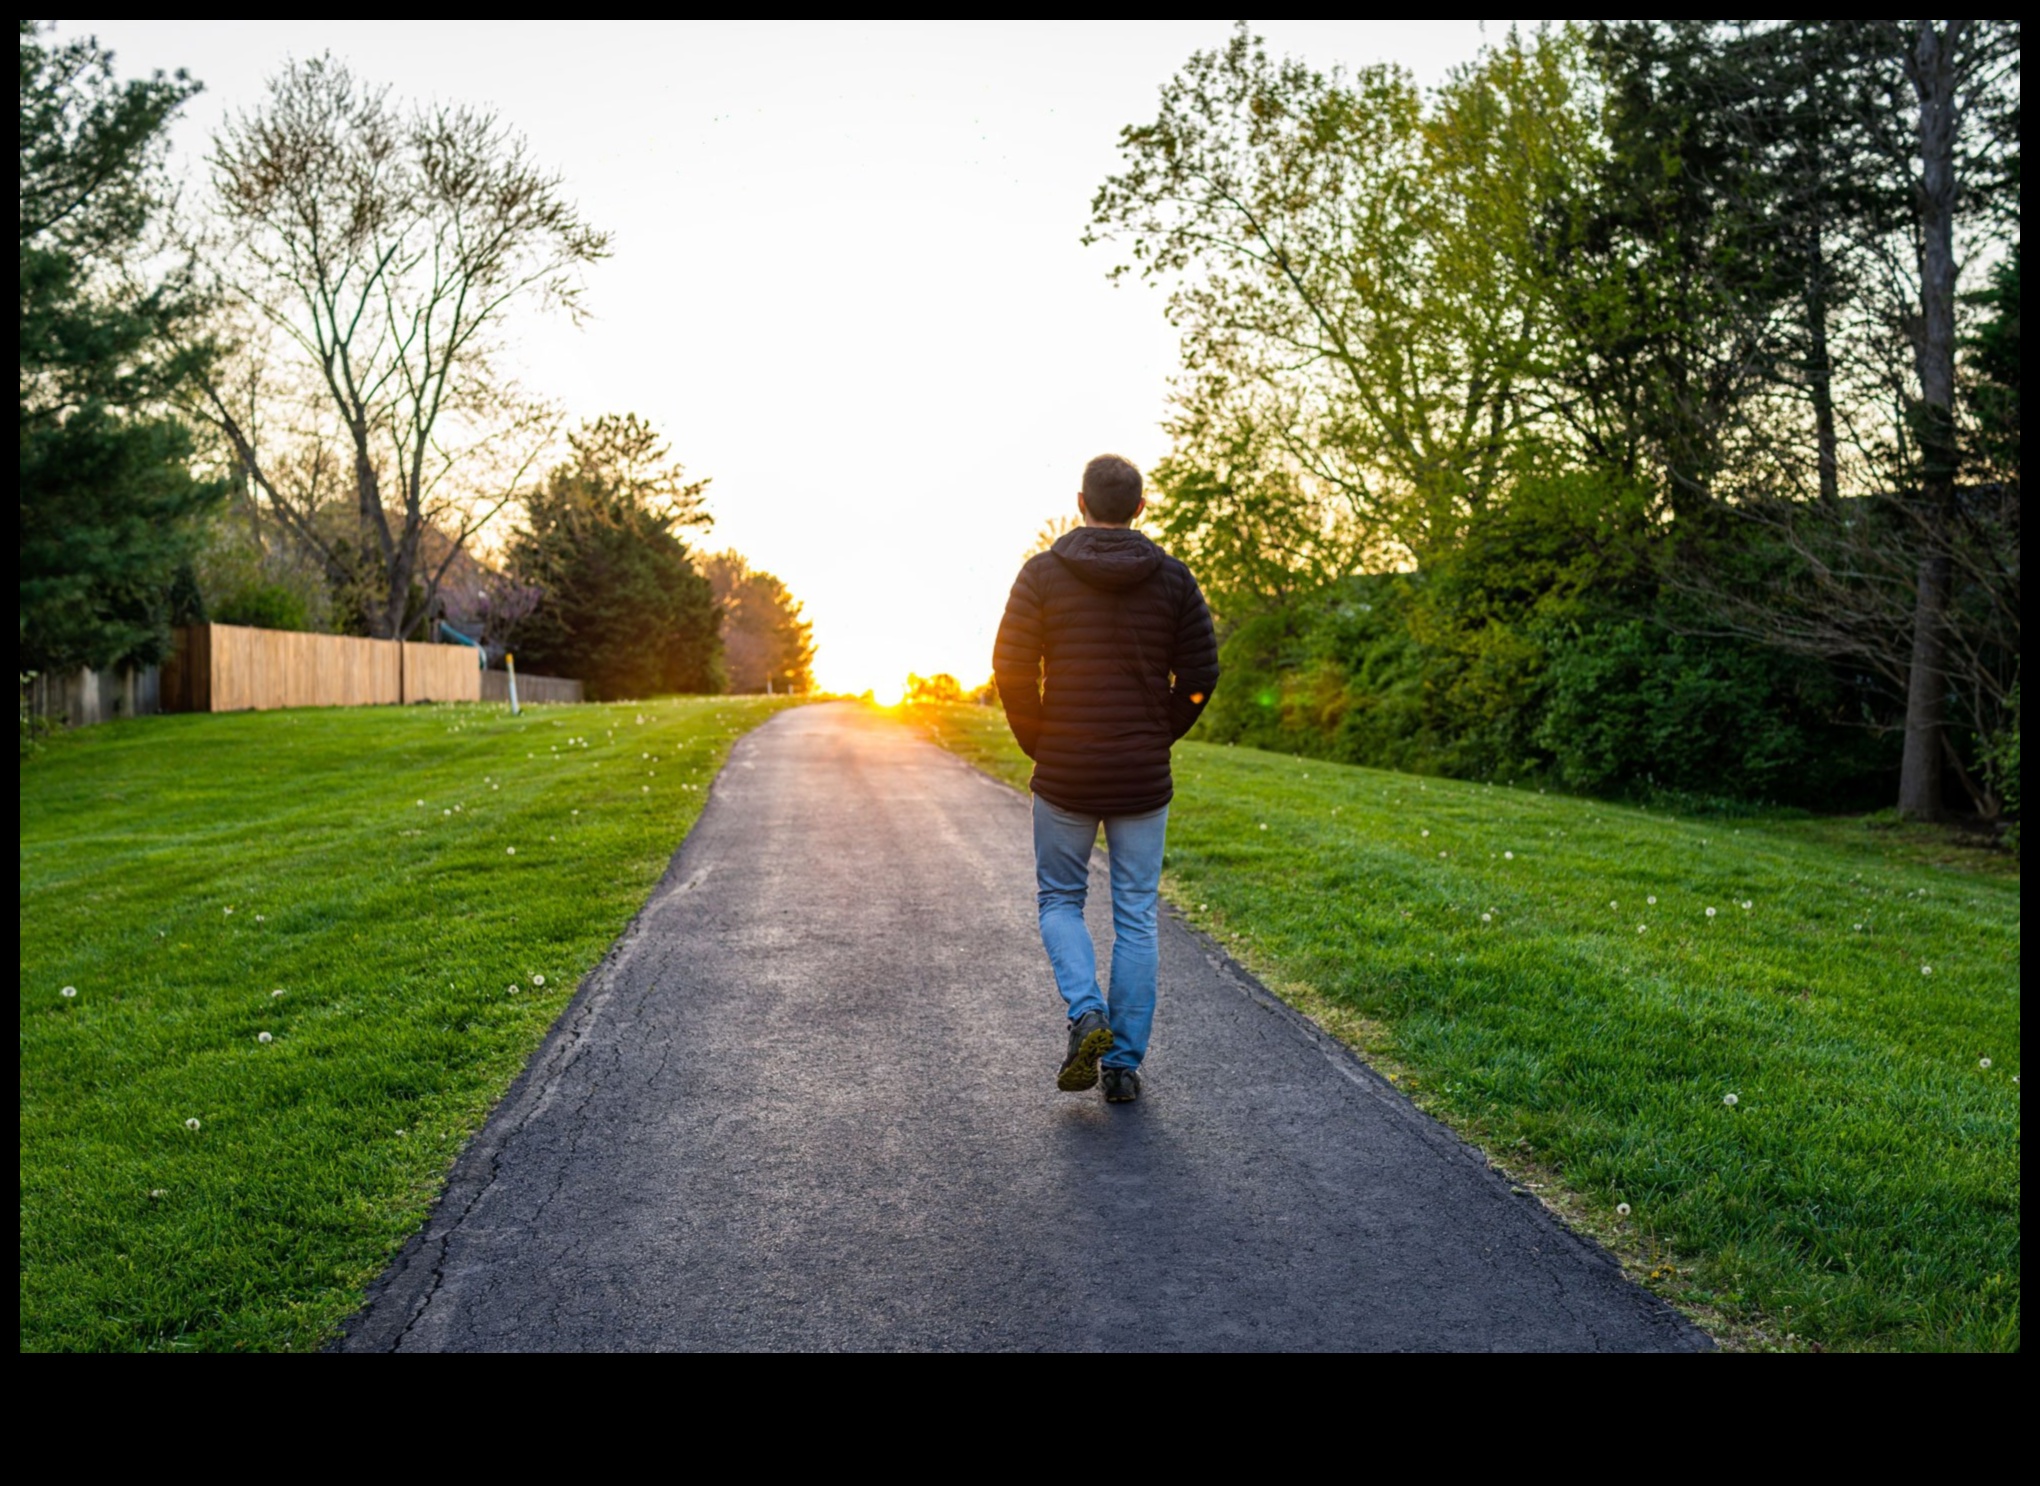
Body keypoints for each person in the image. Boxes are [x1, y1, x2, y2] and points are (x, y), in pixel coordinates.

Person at [993, 454, 1219, 1104]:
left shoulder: (1041, 574)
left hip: (1065, 770)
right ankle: (1121, 1065)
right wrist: (1159, 732)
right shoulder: (1174, 579)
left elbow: (1010, 669)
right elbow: (1201, 678)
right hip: (1141, 777)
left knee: (1060, 900)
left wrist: (1040, 740)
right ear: (1141, 508)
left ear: (1080, 503)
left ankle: (1085, 1011)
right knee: (1137, 915)